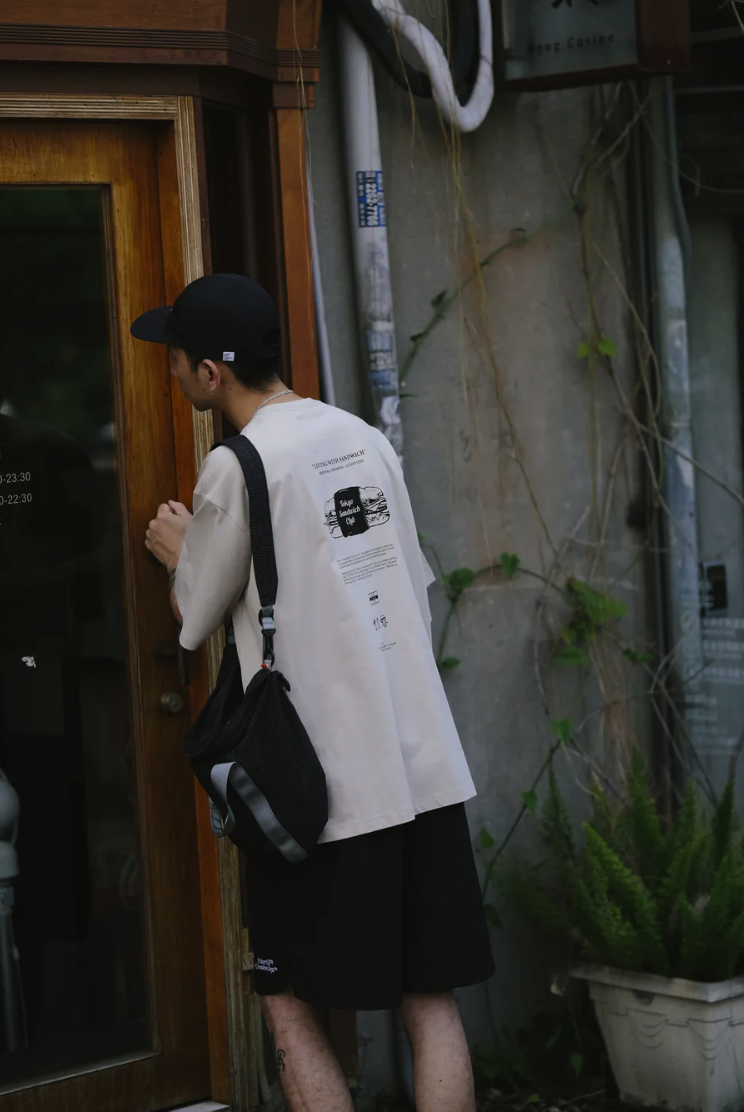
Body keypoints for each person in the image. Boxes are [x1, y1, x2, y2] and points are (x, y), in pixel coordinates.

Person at [131, 273, 494, 1112]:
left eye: (176, 359)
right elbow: (403, 580)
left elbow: (194, 617)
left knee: (287, 999)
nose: (172, 372)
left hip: (323, 791)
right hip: (423, 771)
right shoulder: (362, 436)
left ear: (211, 373)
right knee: (429, 998)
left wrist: (179, 552)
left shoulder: (238, 463)